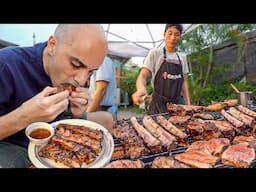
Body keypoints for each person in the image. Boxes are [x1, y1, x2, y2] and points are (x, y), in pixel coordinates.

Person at [0, 24, 114, 168]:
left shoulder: (74, 77)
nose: (81, 80)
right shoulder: (6, 65)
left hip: (56, 134)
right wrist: (25, 116)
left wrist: (76, 114)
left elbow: (64, 121)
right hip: (12, 144)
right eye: (75, 64)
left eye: (91, 72)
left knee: (107, 119)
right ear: (52, 45)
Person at [132, 24, 191, 115]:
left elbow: (184, 82)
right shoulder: (155, 53)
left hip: (177, 106)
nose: (173, 38)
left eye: (176, 34)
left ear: (180, 37)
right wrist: (141, 88)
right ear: (164, 34)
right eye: (170, 33)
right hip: (157, 105)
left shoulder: (182, 57)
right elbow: (143, 76)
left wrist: (188, 104)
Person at [86, 56, 118, 120]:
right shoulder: (97, 61)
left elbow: (101, 89)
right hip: (98, 109)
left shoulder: (103, 61)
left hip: (102, 110)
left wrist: (87, 115)